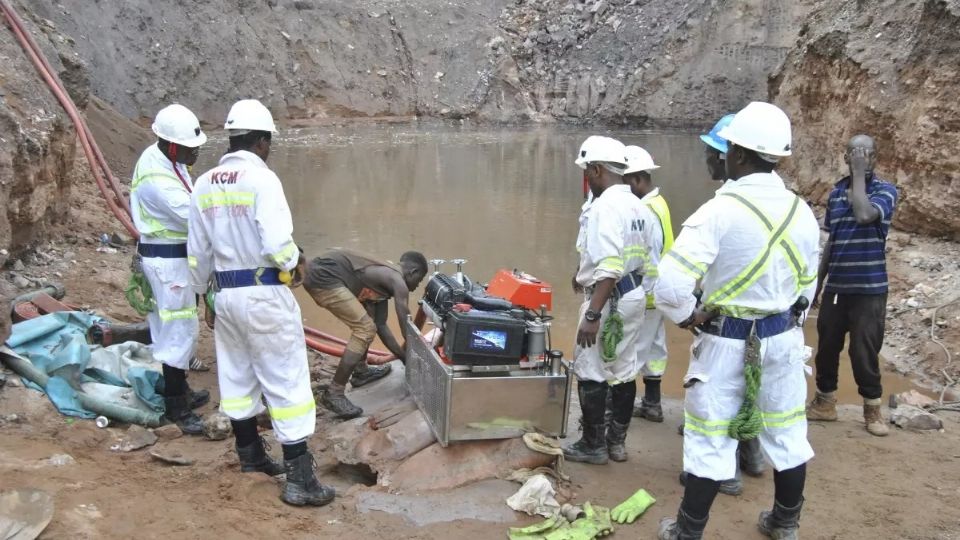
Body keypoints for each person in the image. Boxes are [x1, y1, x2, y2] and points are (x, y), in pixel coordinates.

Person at [654, 102, 820, 539]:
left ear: (741, 155)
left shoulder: (718, 211)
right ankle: (785, 524)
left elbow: (669, 286)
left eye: (727, 148)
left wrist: (689, 315)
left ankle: (687, 532)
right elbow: (807, 287)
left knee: (710, 438)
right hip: (783, 340)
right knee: (787, 435)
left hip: (726, 342)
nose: (723, 155)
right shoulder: (800, 211)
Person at [188, 99, 333, 507]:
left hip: (226, 295)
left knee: (237, 377)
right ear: (263, 141)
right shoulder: (262, 180)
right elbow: (277, 244)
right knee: (287, 381)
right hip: (263, 292)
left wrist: (206, 299)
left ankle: (251, 457)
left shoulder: (204, 183)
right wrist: (295, 262)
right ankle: (300, 479)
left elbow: (197, 254)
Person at [674, 115, 770, 497]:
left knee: (722, 391)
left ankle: (725, 472)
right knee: (750, 384)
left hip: (731, 317)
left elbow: (726, 267)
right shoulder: (768, 201)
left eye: (711, 152)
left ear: (730, 154)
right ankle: (753, 454)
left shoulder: (728, 205)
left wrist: (694, 310)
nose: (707, 160)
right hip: (766, 318)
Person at [565, 136, 658, 465]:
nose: (587, 177)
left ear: (597, 169)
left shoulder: (604, 207)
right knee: (622, 370)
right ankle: (616, 442)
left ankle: (593, 445)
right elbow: (647, 261)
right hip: (632, 297)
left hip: (607, 300)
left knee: (590, 370)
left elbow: (610, 267)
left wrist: (592, 315)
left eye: (588, 170)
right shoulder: (640, 206)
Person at [807, 134, 898, 437]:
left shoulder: (885, 191)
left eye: (867, 155)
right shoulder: (835, 194)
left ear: (875, 158)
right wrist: (816, 287)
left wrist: (858, 175)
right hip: (838, 287)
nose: (862, 159)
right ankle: (825, 403)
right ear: (845, 157)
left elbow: (863, 214)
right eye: (855, 154)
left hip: (869, 289)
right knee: (827, 348)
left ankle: (872, 409)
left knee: (864, 351)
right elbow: (831, 243)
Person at [129, 104, 209, 435]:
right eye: (192, 149)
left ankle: (180, 389)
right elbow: (198, 218)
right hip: (168, 262)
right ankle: (177, 405)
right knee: (179, 331)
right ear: (173, 145)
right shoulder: (159, 180)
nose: (197, 153)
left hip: (171, 258)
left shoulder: (165, 159)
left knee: (172, 328)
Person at [303, 248, 428, 419]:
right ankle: (334, 393)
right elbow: (407, 327)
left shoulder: (383, 281)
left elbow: (381, 326)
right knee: (364, 328)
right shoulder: (396, 280)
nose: (416, 287)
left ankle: (361, 372)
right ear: (413, 272)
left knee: (370, 324)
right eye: (419, 281)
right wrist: (418, 358)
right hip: (322, 277)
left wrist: (404, 357)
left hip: (324, 273)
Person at [621, 146, 673, 423]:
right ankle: (652, 403)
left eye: (625, 182)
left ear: (638, 179)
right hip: (660, 292)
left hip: (648, 293)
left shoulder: (645, 210)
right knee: (654, 348)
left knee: (632, 352)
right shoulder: (659, 203)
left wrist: (641, 291)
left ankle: (617, 413)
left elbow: (649, 255)